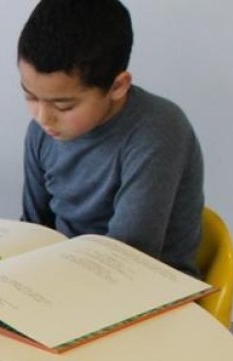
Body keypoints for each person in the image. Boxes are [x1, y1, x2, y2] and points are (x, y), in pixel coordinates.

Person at [17, 0, 204, 276]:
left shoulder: (157, 130)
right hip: (63, 279)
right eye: (30, 96)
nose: (43, 117)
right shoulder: (42, 131)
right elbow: (34, 229)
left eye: (64, 106)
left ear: (117, 86)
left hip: (145, 284)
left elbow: (129, 257)